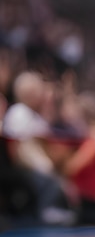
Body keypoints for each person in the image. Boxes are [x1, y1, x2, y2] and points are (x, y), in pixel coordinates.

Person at [2, 71, 76, 225]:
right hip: (22, 166)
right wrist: (45, 168)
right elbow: (20, 147)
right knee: (49, 179)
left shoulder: (34, 115)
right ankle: (46, 210)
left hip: (36, 164)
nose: (42, 96)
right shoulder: (19, 112)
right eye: (39, 91)